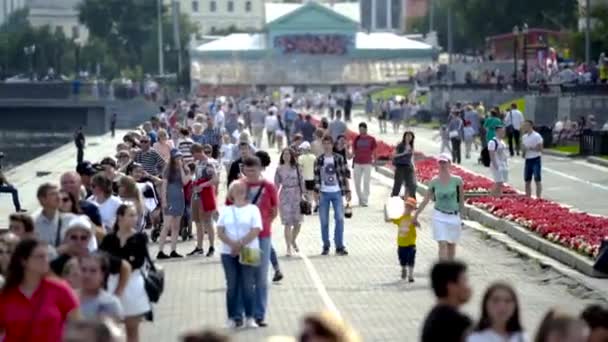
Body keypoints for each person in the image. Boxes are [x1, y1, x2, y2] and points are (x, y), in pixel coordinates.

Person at [0, 238, 80, 342]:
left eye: (47, 256)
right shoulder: (7, 294)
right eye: (40, 257)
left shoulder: (60, 289)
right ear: (24, 261)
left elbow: (78, 327)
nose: (46, 260)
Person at [100, 204, 152, 342]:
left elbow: (138, 262)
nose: (135, 218)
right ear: (120, 217)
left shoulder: (140, 238)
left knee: (132, 329)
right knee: (110, 328)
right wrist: (123, 262)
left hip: (133, 286)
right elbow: (102, 260)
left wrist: (119, 263)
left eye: (135, 215)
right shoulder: (109, 239)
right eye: (131, 215)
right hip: (112, 284)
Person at [239, 156, 279, 327]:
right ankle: (247, 313)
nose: (250, 174)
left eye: (253, 171)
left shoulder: (268, 186)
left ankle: (259, 314)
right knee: (248, 276)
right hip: (247, 238)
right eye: (247, 171)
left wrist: (264, 224)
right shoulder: (240, 186)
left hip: (263, 236)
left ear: (260, 169)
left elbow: (274, 210)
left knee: (261, 276)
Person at [217, 181, 262, 329]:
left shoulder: (253, 209)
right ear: (231, 193)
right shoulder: (225, 210)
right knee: (232, 286)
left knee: (248, 285)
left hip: (249, 251)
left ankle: (250, 317)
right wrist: (232, 245)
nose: (240, 191)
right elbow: (220, 231)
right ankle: (233, 318)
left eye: (242, 189)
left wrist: (240, 244)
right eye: (236, 189)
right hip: (228, 253)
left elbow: (256, 230)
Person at [413, 153, 464, 260]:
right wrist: (416, 215)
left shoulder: (457, 181)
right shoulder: (434, 181)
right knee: (442, 243)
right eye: (440, 162)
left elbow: (461, 201)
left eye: (444, 162)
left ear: (449, 164)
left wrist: (461, 217)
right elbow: (426, 199)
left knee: (451, 245)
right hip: (439, 216)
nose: (442, 165)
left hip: (453, 216)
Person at [314, 135, 351, 256]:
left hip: (337, 192)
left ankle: (339, 246)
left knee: (340, 219)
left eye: (328, 143)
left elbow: (345, 175)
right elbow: (316, 178)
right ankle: (326, 245)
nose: (326, 145)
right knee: (324, 221)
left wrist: (348, 191)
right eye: (324, 143)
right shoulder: (319, 160)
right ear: (322, 145)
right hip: (324, 193)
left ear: (332, 144)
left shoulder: (339, 158)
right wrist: (316, 193)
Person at [421, 260, 472, 342]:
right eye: (465, 281)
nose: (469, 288)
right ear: (451, 287)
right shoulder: (458, 322)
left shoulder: (433, 317)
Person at [188, 143, 220, 257]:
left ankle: (212, 246)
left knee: (208, 221)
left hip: (206, 195)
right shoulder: (198, 163)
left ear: (197, 151)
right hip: (197, 195)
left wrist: (203, 185)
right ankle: (199, 247)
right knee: (197, 222)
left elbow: (215, 179)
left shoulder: (209, 163)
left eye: (193, 153)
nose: (193, 156)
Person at [157, 149, 189, 259]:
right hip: (170, 199)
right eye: (176, 157)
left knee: (176, 226)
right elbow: (164, 185)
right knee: (166, 226)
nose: (178, 159)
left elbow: (185, 182)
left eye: (180, 157)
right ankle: (160, 251)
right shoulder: (167, 170)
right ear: (172, 158)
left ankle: (173, 250)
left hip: (180, 199)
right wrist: (164, 200)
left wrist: (181, 168)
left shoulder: (184, 169)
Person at [274, 148, 305, 256]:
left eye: (288, 154)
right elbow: (276, 184)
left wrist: (304, 195)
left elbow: (302, 181)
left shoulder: (297, 167)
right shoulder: (279, 169)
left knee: (298, 223)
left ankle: (293, 240)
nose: (286, 156)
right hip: (285, 196)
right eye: (284, 154)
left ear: (292, 156)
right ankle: (288, 247)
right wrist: (273, 199)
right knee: (287, 223)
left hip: (297, 194)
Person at [79, 252, 124, 321]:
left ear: (103, 274)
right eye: (83, 270)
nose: (86, 275)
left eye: (93, 271)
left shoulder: (110, 303)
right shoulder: (67, 298)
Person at [385, 197, 418, 281]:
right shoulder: (399, 218)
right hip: (401, 244)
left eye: (410, 208)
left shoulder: (412, 218)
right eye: (407, 207)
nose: (408, 209)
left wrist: (417, 223)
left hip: (411, 243)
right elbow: (387, 220)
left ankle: (411, 275)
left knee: (411, 259)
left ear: (413, 209)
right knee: (402, 260)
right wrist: (386, 209)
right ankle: (403, 269)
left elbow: (418, 224)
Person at [352, 122, 377, 207]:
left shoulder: (371, 139)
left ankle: (365, 199)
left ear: (366, 129)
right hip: (357, 162)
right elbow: (353, 151)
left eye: (362, 129)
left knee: (366, 182)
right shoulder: (356, 139)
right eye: (360, 129)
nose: (361, 131)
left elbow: (374, 151)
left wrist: (375, 162)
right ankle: (360, 198)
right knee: (357, 182)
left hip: (367, 163)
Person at [521, 120, 543, 198]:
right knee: (527, 180)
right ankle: (528, 197)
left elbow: (540, 148)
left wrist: (530, 148)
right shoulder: (524, 137)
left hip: (536, 159)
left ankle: (538, 197)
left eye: (526, 125)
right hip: (528, 159)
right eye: (524, 125)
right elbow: (523, 148)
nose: (524, 127)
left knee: (537, 179)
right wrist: (523, 153)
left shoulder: (537, 136)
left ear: (530, 126)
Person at [391, 131, 417, 198]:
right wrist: (404, 153)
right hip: (400, 167)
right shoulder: (400, 145)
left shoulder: (411, 146)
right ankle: (393, 201)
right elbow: (393, 155)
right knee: (397, 185)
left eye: (410, 136)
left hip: (408, 167)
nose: (408, 137)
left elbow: (411, 157)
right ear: (404, 137)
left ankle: (411, 202)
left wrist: (414, 166)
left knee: (412, 185)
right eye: (407, 136)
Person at [488, 125, 509, 196]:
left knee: (501, 183)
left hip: (503, 164)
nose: (503, 133)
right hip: (496, 164)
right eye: (501, 131)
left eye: (503, 131)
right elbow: (491, 154)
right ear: (496, 132)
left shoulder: (502, 142)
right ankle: (491, 197)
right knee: (498, 182)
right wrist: (495, 165)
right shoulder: (493, 142)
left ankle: (499, 196)